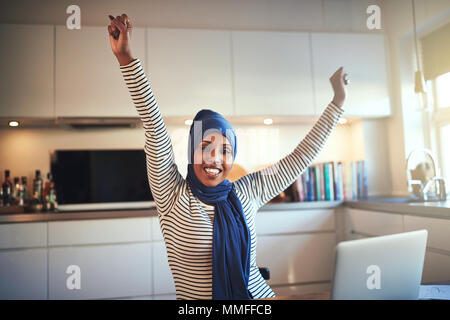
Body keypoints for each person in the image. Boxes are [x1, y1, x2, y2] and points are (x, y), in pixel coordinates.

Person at [108, 14, 347, 300]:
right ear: (191, 150)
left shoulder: (247, 190)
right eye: (205, 145)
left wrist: (338, 102)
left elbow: (300, 157)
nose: (214, 158)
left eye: (224, 150)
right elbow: (155, 127)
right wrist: (125, 58)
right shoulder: (171, 194)